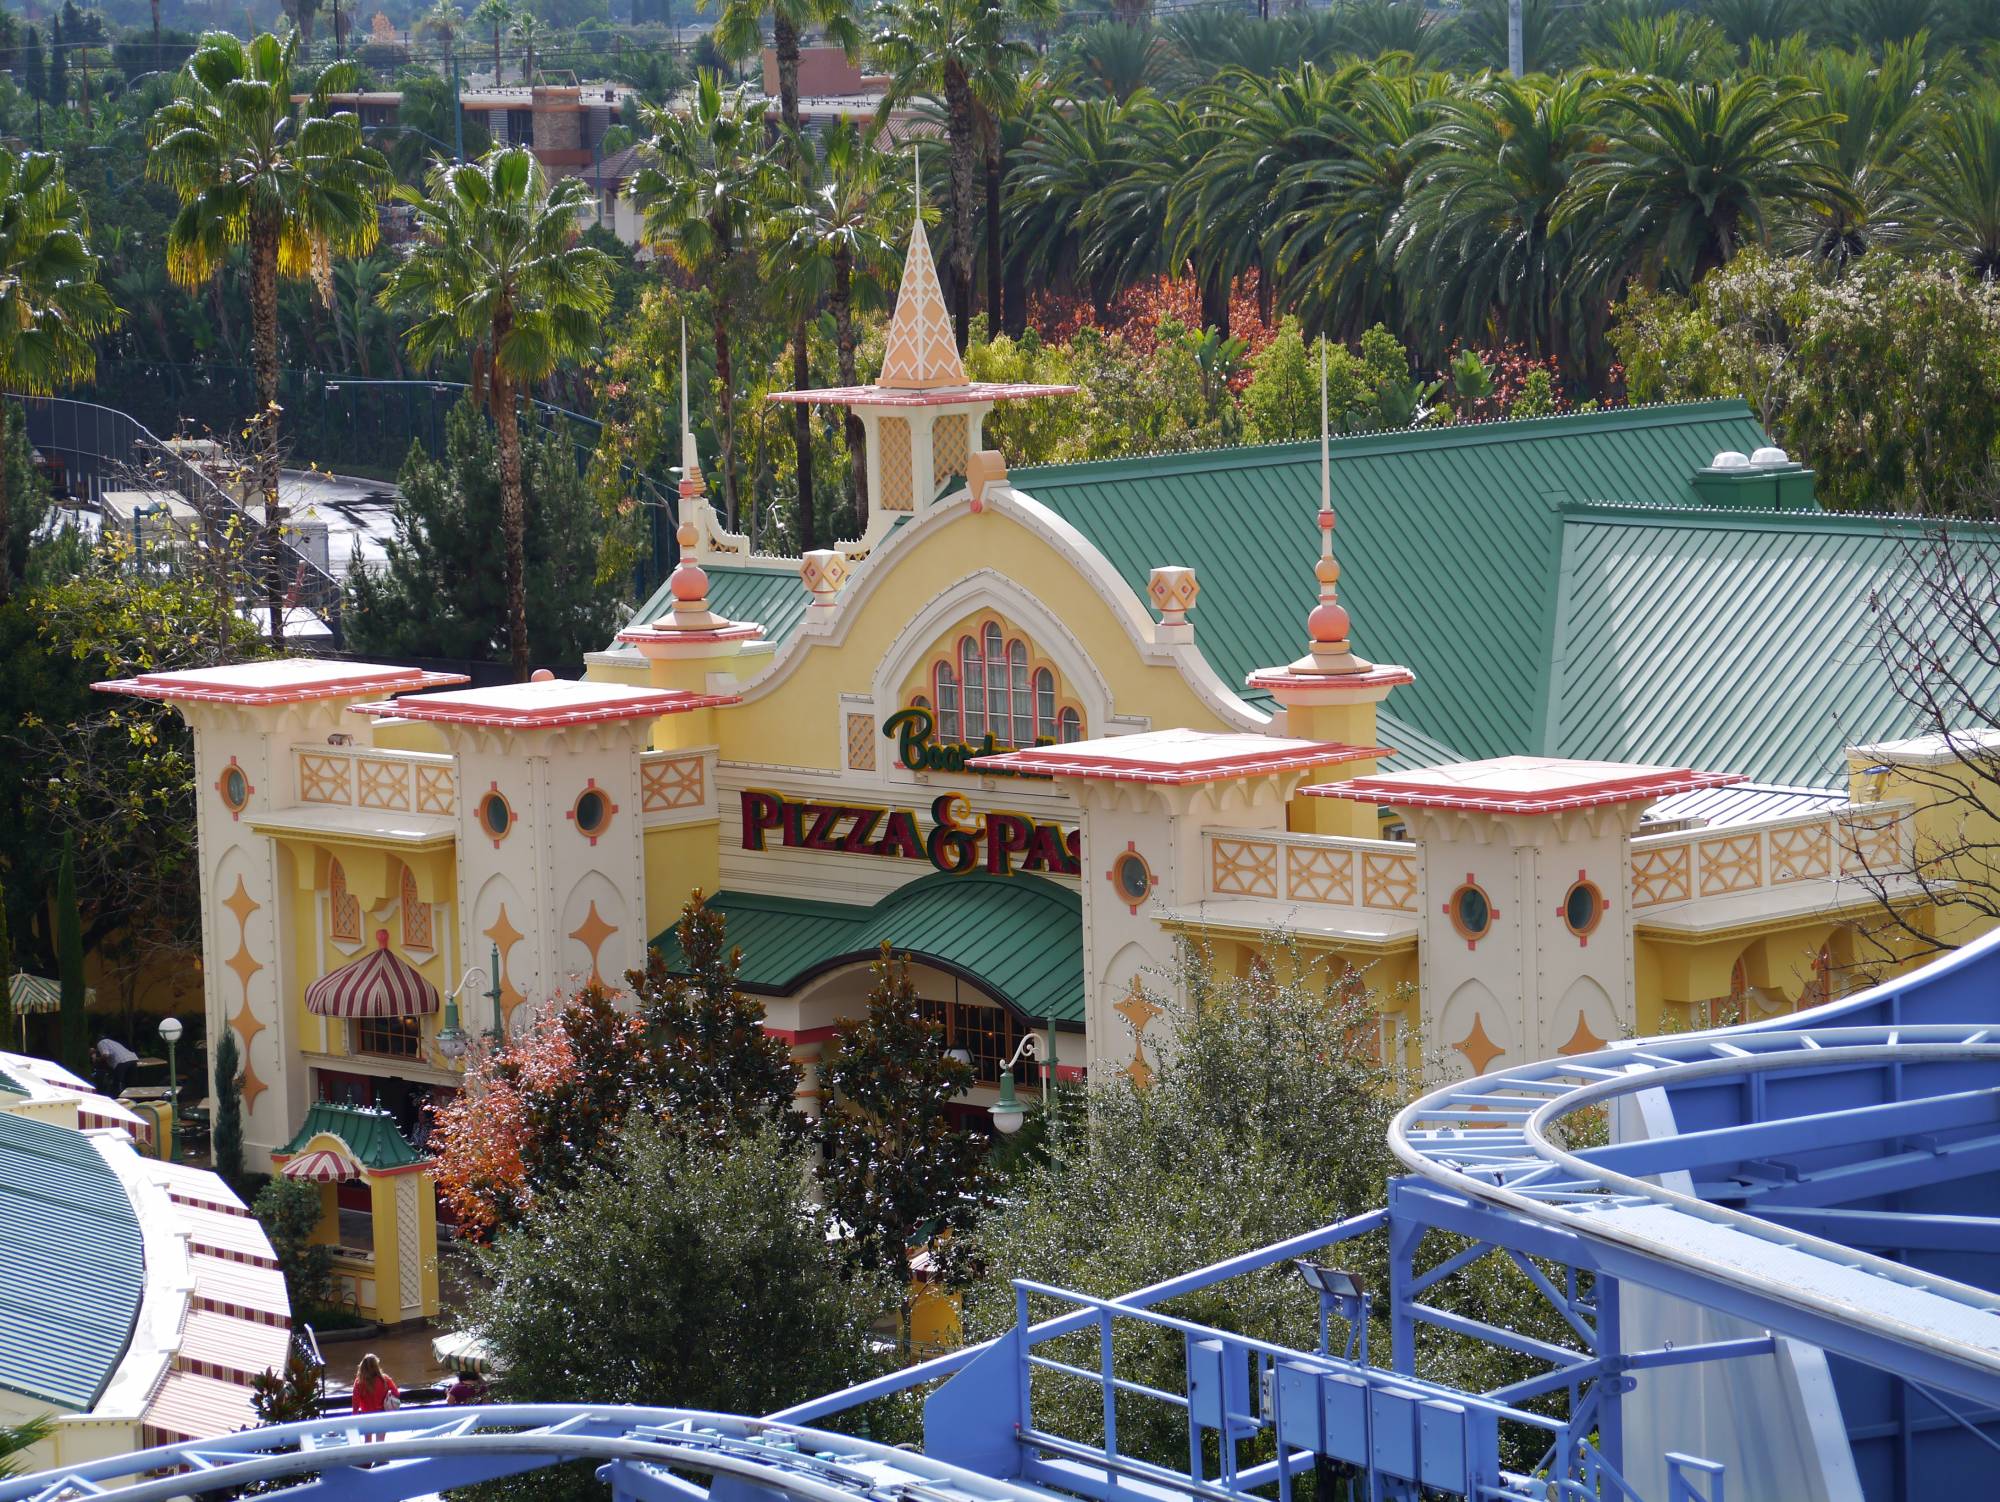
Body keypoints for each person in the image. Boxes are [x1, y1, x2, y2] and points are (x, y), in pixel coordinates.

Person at [351, 1352, 399, 1436]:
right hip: (382, 1414)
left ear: (362, 1366)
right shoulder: (384, 1379)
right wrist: (388, 1395)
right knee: (380, 1441)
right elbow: (396, 1393)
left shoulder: (359, 1382)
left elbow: (355, 1403)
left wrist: (354, 1418)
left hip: (366, 1415)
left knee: (367, 1440)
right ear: (376, 1366)